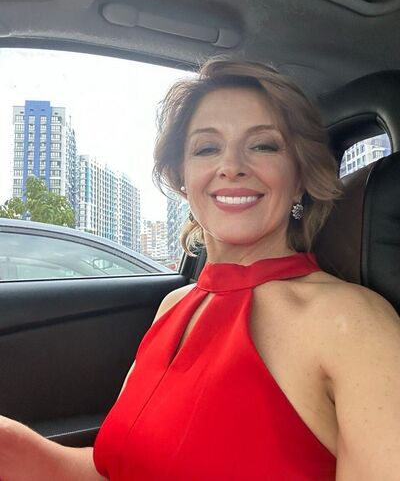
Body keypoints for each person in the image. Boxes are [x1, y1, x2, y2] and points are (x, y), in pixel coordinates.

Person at [1, 58, 399, 480]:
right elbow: (119, 469)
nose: (231, 166)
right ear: (182, 178)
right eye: (207, 148)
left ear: (300, 175)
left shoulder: (351, 323)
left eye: (263, 146)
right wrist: (12, 445)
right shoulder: (175, 305)